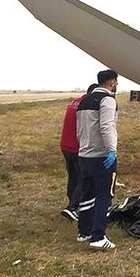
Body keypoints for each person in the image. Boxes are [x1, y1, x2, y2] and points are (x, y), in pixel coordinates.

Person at [76, 69, 119, 250]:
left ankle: (83, 232)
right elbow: (107, 126)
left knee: (87, 194)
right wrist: (111, 150)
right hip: (101, 156)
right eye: (116, 82)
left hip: (84, 155)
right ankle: (98, 237)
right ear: (111, 83)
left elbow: (80, 130)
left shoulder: (84, 100)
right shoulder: (107, 100)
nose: (116, 85)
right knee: (104, 197)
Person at [60, 83, 98, 221]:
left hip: (65, 145)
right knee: (84, 177)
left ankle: (71, 203)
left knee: (73, 177)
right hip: (78, 147)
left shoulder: (75, 102)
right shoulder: (87, 105)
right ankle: (73, 208)